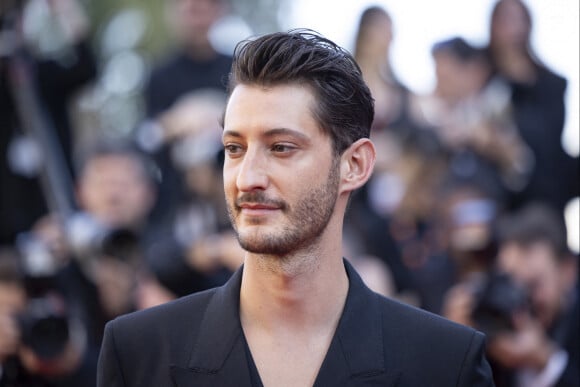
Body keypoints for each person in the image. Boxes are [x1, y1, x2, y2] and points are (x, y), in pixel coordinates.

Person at [97, 30, 495, 386]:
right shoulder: (138, 353)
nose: (247, 177)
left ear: (354, 166)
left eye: (281, 148)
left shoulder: (445, 364)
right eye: (234, 149)